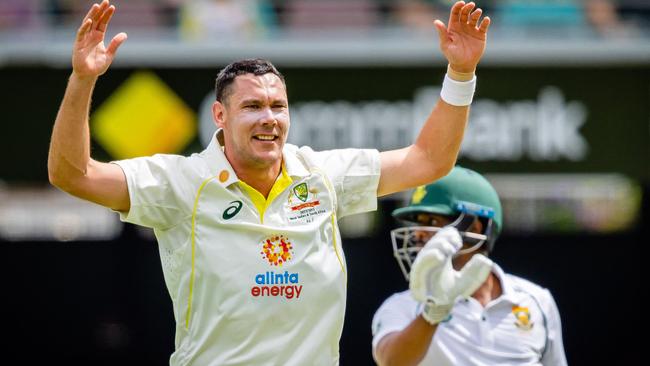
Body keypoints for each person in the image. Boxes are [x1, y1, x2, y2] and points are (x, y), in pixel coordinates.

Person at [47, 0, 491, 364]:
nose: (269, 119)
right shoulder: (180, 182)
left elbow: (429, 160)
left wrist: (461, 74)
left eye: (278, 106)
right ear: (219, 116)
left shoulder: (321, 175)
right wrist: (83, 79)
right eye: (253, 106)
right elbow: (72, 173)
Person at [371, 166, 568, 366]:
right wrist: (434, 311)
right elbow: (391, 361)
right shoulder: (403, 306)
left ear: (474, 228)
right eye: (416, 224)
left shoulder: (537, 301)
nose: (417, 234)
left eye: (431, 220)